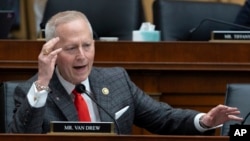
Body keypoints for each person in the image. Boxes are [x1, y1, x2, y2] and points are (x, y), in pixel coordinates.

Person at [8, 10, 243, 134]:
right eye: (71, 48)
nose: (82, 55)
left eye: (87, 45)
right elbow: (24, 135)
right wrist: (42, 82)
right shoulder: (31, 92)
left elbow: (163, 118)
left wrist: (205, 120)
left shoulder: (116, 79)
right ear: (54, 52)